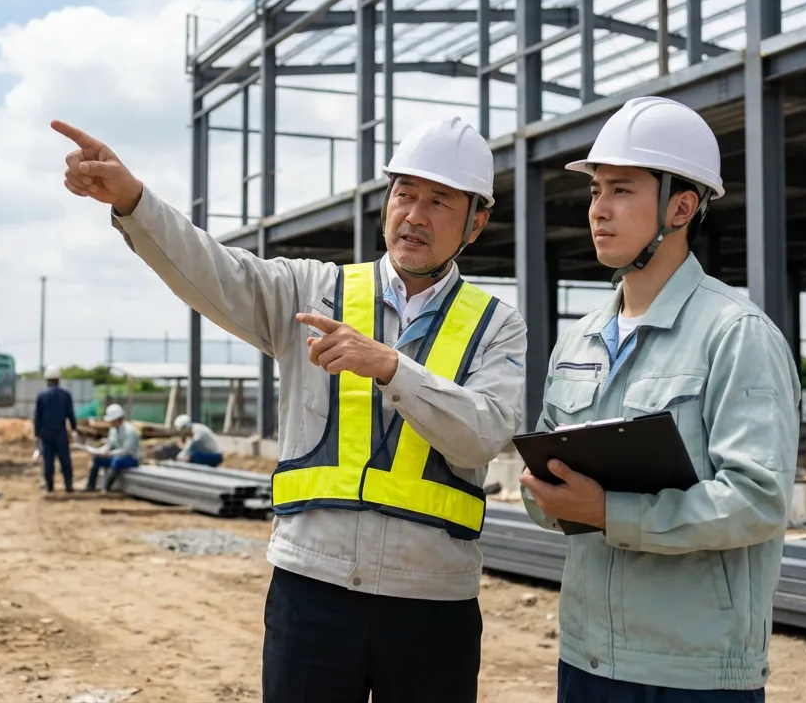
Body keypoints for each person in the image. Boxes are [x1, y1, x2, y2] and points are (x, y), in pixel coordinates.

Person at [51, 115, 527, 703]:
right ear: (386, 202)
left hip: (433, 602)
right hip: (313, 589)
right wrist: (134, 202)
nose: (415, 215)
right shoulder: (311, 292)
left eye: (439, 201)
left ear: (476, 223)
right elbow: (213, 270)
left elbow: (484, 434)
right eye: (404, 194)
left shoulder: (497, 326)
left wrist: (392, 368)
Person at [517, 96, 800, 701]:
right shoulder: (579, 338)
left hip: (691, 672)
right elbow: (543, 478)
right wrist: (544, 491)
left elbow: (757, 499)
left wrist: (609, 512)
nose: (598, 209)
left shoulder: (736, 335)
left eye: (621, 190)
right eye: (595, 191)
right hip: (586, 656)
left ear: (681, 206)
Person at [33, 373, 78, 493]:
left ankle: (50, 487)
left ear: (47, 380)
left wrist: (36, 433)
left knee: (48, 460)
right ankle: (68, 486)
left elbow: (37, 416)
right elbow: (71, 414)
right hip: (60, 432)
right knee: (65, 459)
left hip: (46, 433)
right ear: (58, 380)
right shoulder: (66, 395)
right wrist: (74, 429)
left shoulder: (42, 395)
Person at [85, 403, 140, 492]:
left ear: (118, 420)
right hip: (117, 456)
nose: (110, 423)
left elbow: (126, 451)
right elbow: (110, 445)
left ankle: (106, 488)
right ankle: (90, 487)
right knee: (97, 459)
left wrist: (109, 454)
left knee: (117, 461)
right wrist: (101, 451)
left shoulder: (130, 431)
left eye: (111, 421)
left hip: (131, 459)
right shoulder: (113, 430)